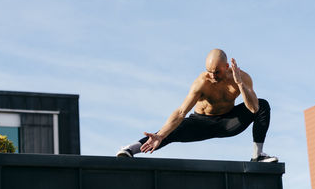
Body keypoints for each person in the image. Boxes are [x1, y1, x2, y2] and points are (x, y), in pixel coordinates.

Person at [116, 49, 278, 162]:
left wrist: (240, 84)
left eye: (217, 72)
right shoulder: (202, 82)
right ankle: (131, 149)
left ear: (227, 67)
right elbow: (180, 112)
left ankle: (257, 156)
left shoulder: (242, 78)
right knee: (168, 132)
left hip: (229, 123)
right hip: (200, 123)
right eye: (209, 71)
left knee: (263, 104)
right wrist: (161, 134)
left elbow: (254, 109)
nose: (212, 76)